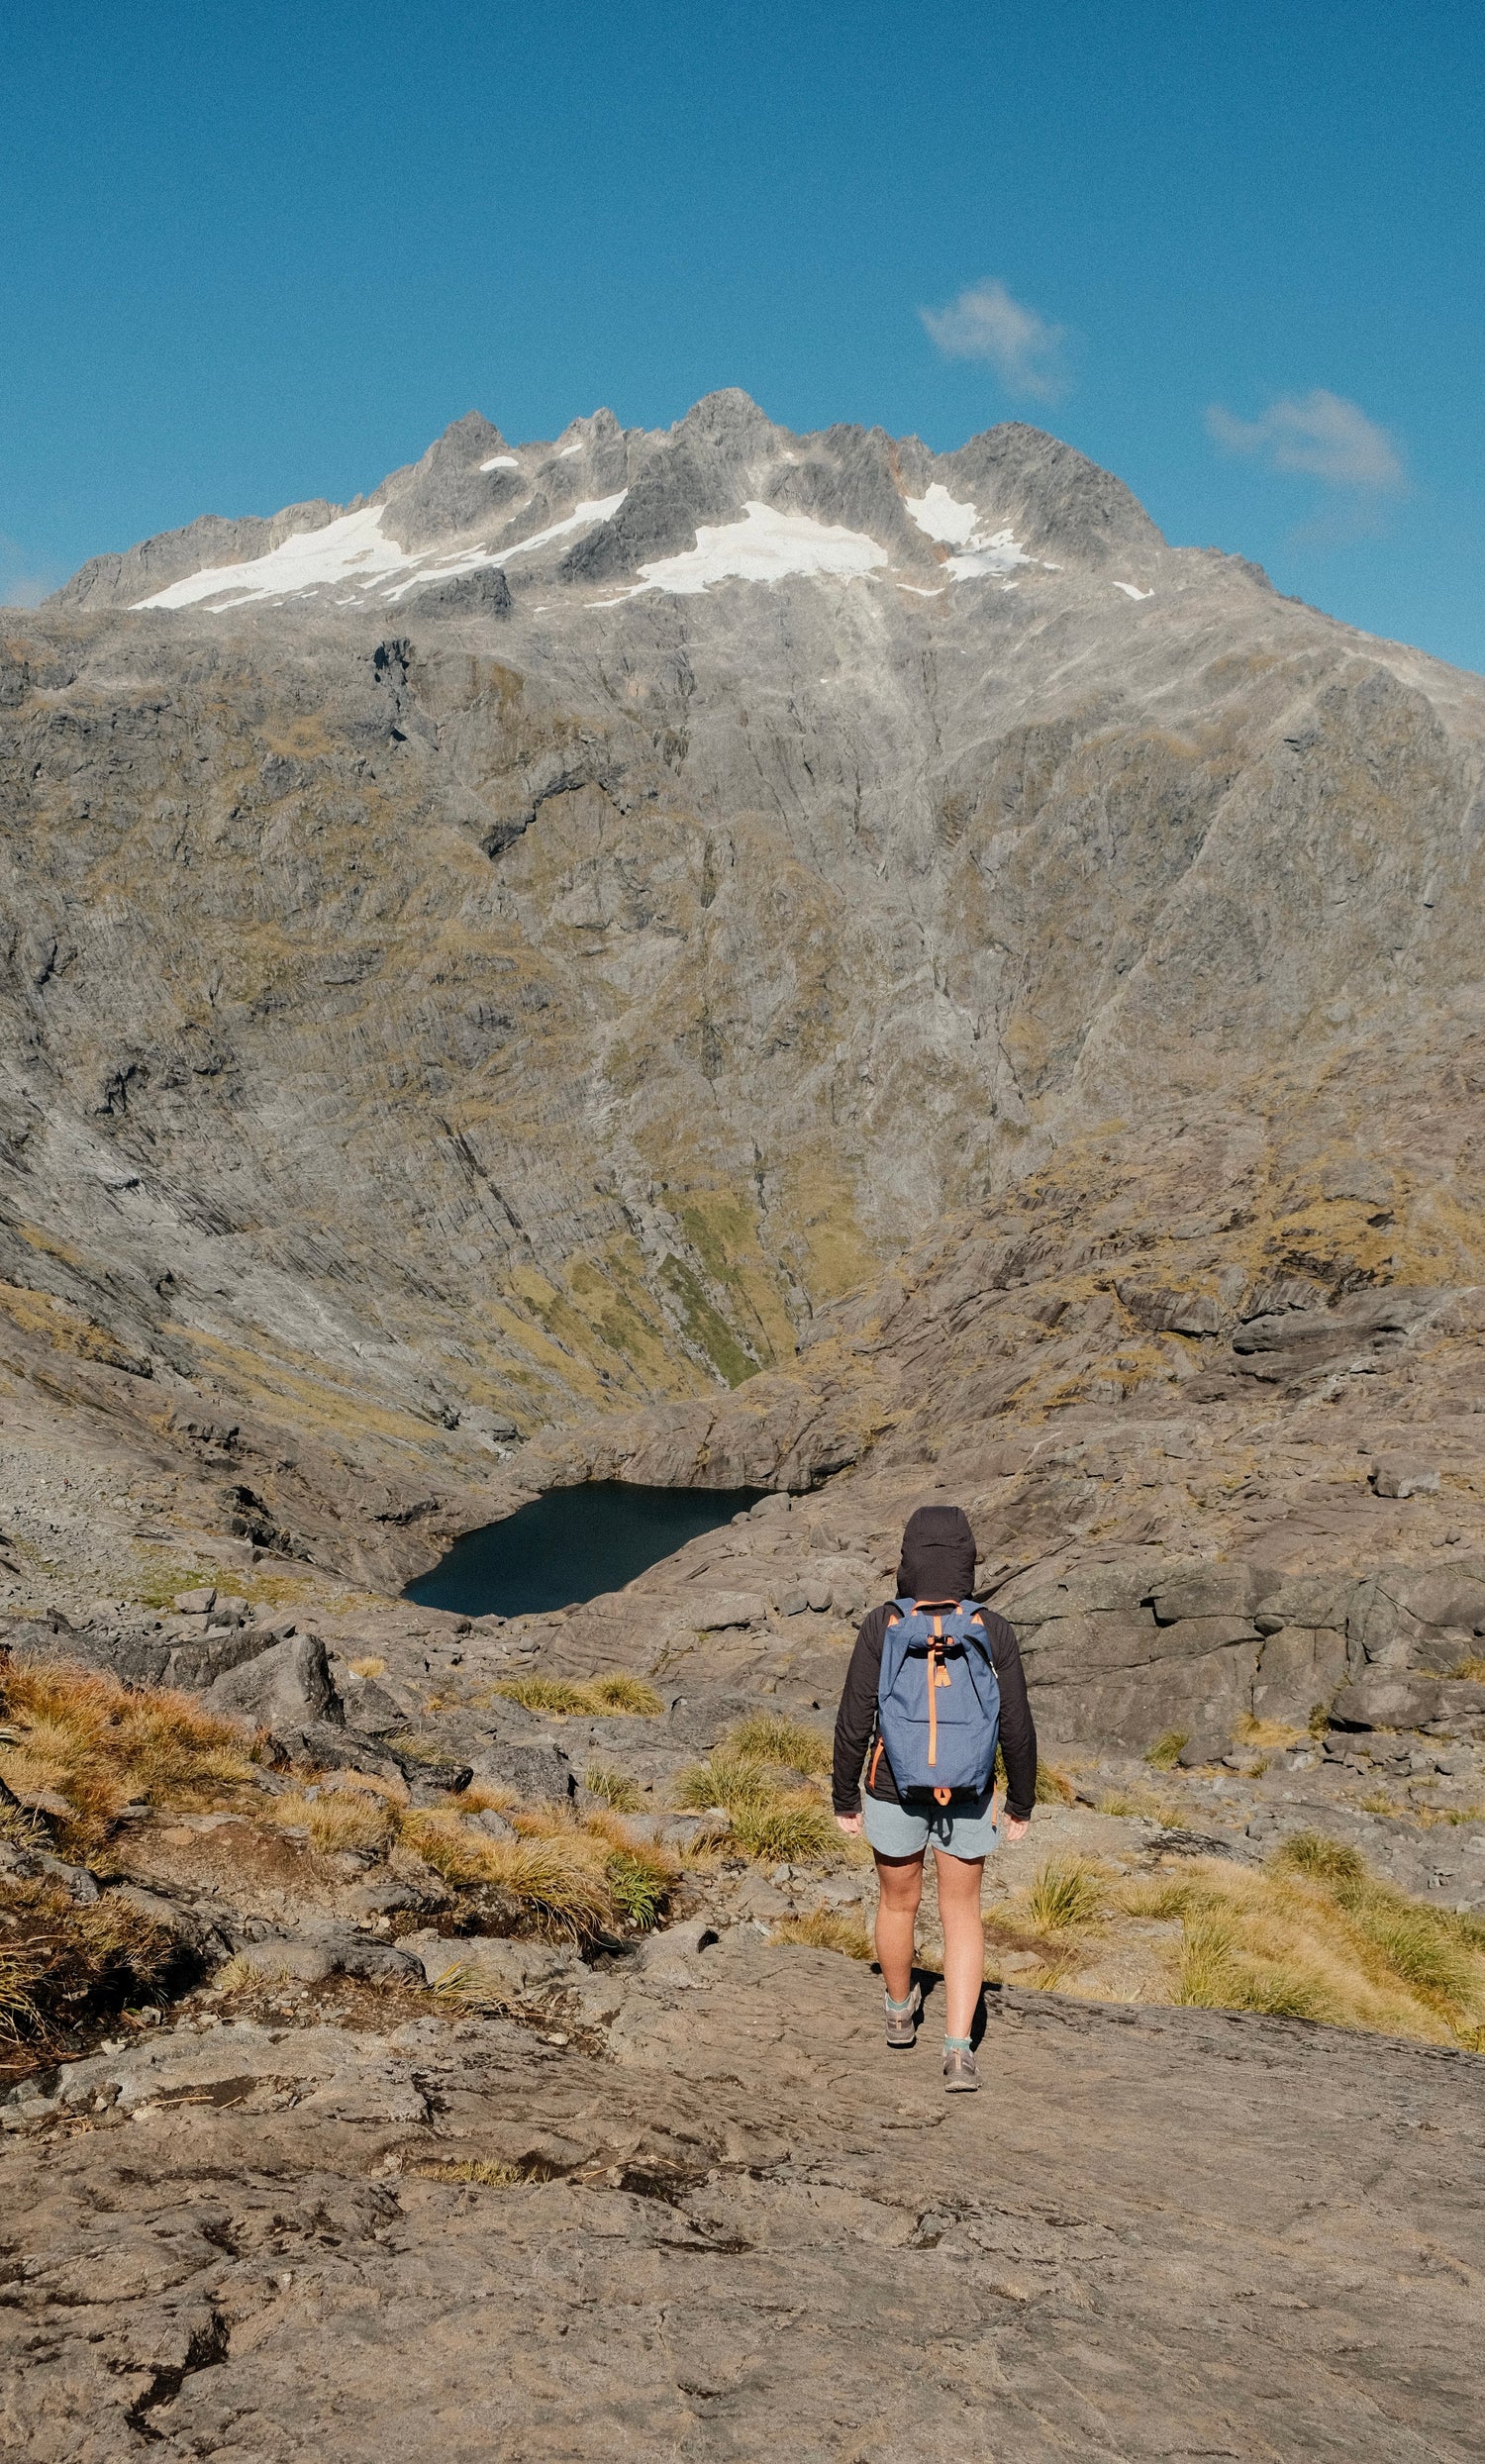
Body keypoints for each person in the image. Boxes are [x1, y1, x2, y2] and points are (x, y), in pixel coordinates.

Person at [833, 1503, 1037, 2090]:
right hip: (970, 1792)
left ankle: (900, 2013)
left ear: (907, 1560)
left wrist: (845, 1796)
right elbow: (1017, 1726)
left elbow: (854, 1718)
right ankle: (957, 2051)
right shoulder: (991, 1629)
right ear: (968, 1559)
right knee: (962, 1915)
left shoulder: (884, 1624)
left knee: (898, 1903)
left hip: (891, 1787)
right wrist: (1021, 1802)